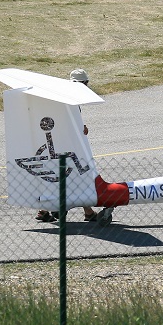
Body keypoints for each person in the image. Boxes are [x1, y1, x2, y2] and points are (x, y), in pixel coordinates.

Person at [36, 69, 98, 223]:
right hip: (66, 145)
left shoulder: (68, 97)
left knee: (67, 177)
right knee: (80, 175)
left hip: (61, 144)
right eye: (84, 83)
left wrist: (80, 126)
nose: (86, 86)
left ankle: (44, 210)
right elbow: (65, 121)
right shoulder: (69, 99)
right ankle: (87, 212)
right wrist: (79, 129)